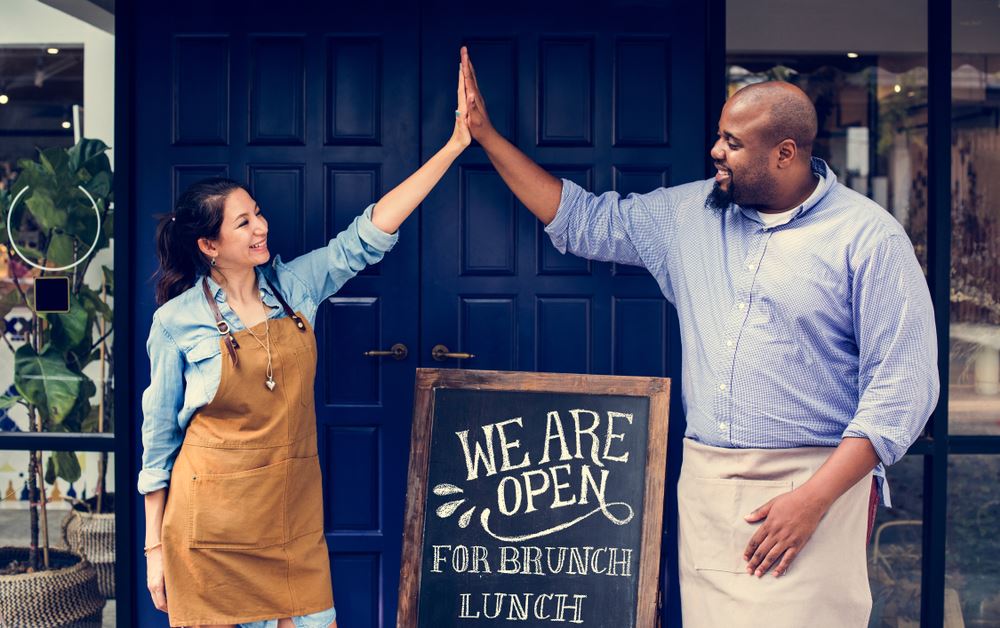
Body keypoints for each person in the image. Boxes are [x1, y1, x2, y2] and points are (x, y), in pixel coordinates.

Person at [458, 46, 939, 627]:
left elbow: (902, 391)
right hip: (709, 486)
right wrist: (485, 136)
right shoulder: (690, 215)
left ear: (785, 153)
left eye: (733, 142)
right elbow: (582, 221)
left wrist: (814, 500)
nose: (715, 150)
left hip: (815, 487)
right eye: (720, 135)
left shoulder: (868, 239)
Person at [138, 66, 471, 628]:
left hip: (290, 523)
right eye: (243, 222)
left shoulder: (293, 289)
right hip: (208, 536)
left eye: (258, 213)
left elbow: (366, 237)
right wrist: (154, 552)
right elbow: (158, 445)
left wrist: (454, 146)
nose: (260, 227)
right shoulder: (175, 323)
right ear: (209, 245)